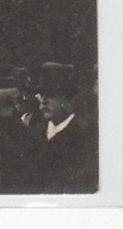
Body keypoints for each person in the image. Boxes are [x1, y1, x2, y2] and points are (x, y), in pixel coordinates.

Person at [29, 62, 97, 194]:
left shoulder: (86, 133)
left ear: (69, 99)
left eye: (51, 95)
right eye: (41, 95)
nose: (43, 101)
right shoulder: (35, 130)